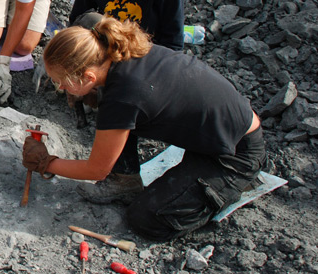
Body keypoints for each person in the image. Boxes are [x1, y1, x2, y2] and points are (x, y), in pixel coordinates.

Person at [22, 17, 265, 241]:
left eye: (63, 82)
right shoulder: (120, 53)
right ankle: (125, 181)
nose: (62, 88)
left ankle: (231, 187)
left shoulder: (123, 97)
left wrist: (46, 162)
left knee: (145, 218)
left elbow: (96, 169)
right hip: (222, 131)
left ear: (88, 76)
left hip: (234, 155)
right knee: (110, 113)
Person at [65, 0, 186, 199]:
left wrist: (125, 76)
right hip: (106, 51)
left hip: (146, 60)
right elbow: (77, 22)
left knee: (122, 94)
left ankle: (124, 175)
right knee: (87, 23)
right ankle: (95, 94)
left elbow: (172, 44)